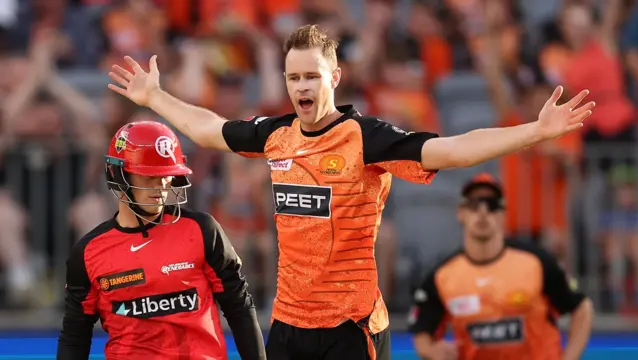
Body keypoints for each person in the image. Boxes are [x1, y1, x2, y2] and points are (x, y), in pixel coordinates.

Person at [106, 24, 594, 360]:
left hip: (351, 328)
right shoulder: (277, 135)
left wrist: (535, 131)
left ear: (334, 78)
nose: (303, 86)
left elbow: (454, 149)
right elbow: (211, 130)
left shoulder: (367, 137)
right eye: (294, 77)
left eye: (312, 76)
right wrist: (154, 98)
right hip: (289, 326)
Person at [57, 121, 265, 360]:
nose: (161, 187)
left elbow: (239, 307)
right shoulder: (88, 252)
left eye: (166, 177)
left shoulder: (202, 230)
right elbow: (75, 337)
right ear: (118, 175)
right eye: (148, 177)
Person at [408, 173, 594, 360]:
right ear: (461, 212)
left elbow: (581, 308)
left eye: (492, 204)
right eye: (474, 204)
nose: (482, 212)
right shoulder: (443, 275)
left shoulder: (535, 262)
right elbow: (421, 329)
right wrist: (430, 351)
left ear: (503, 214)